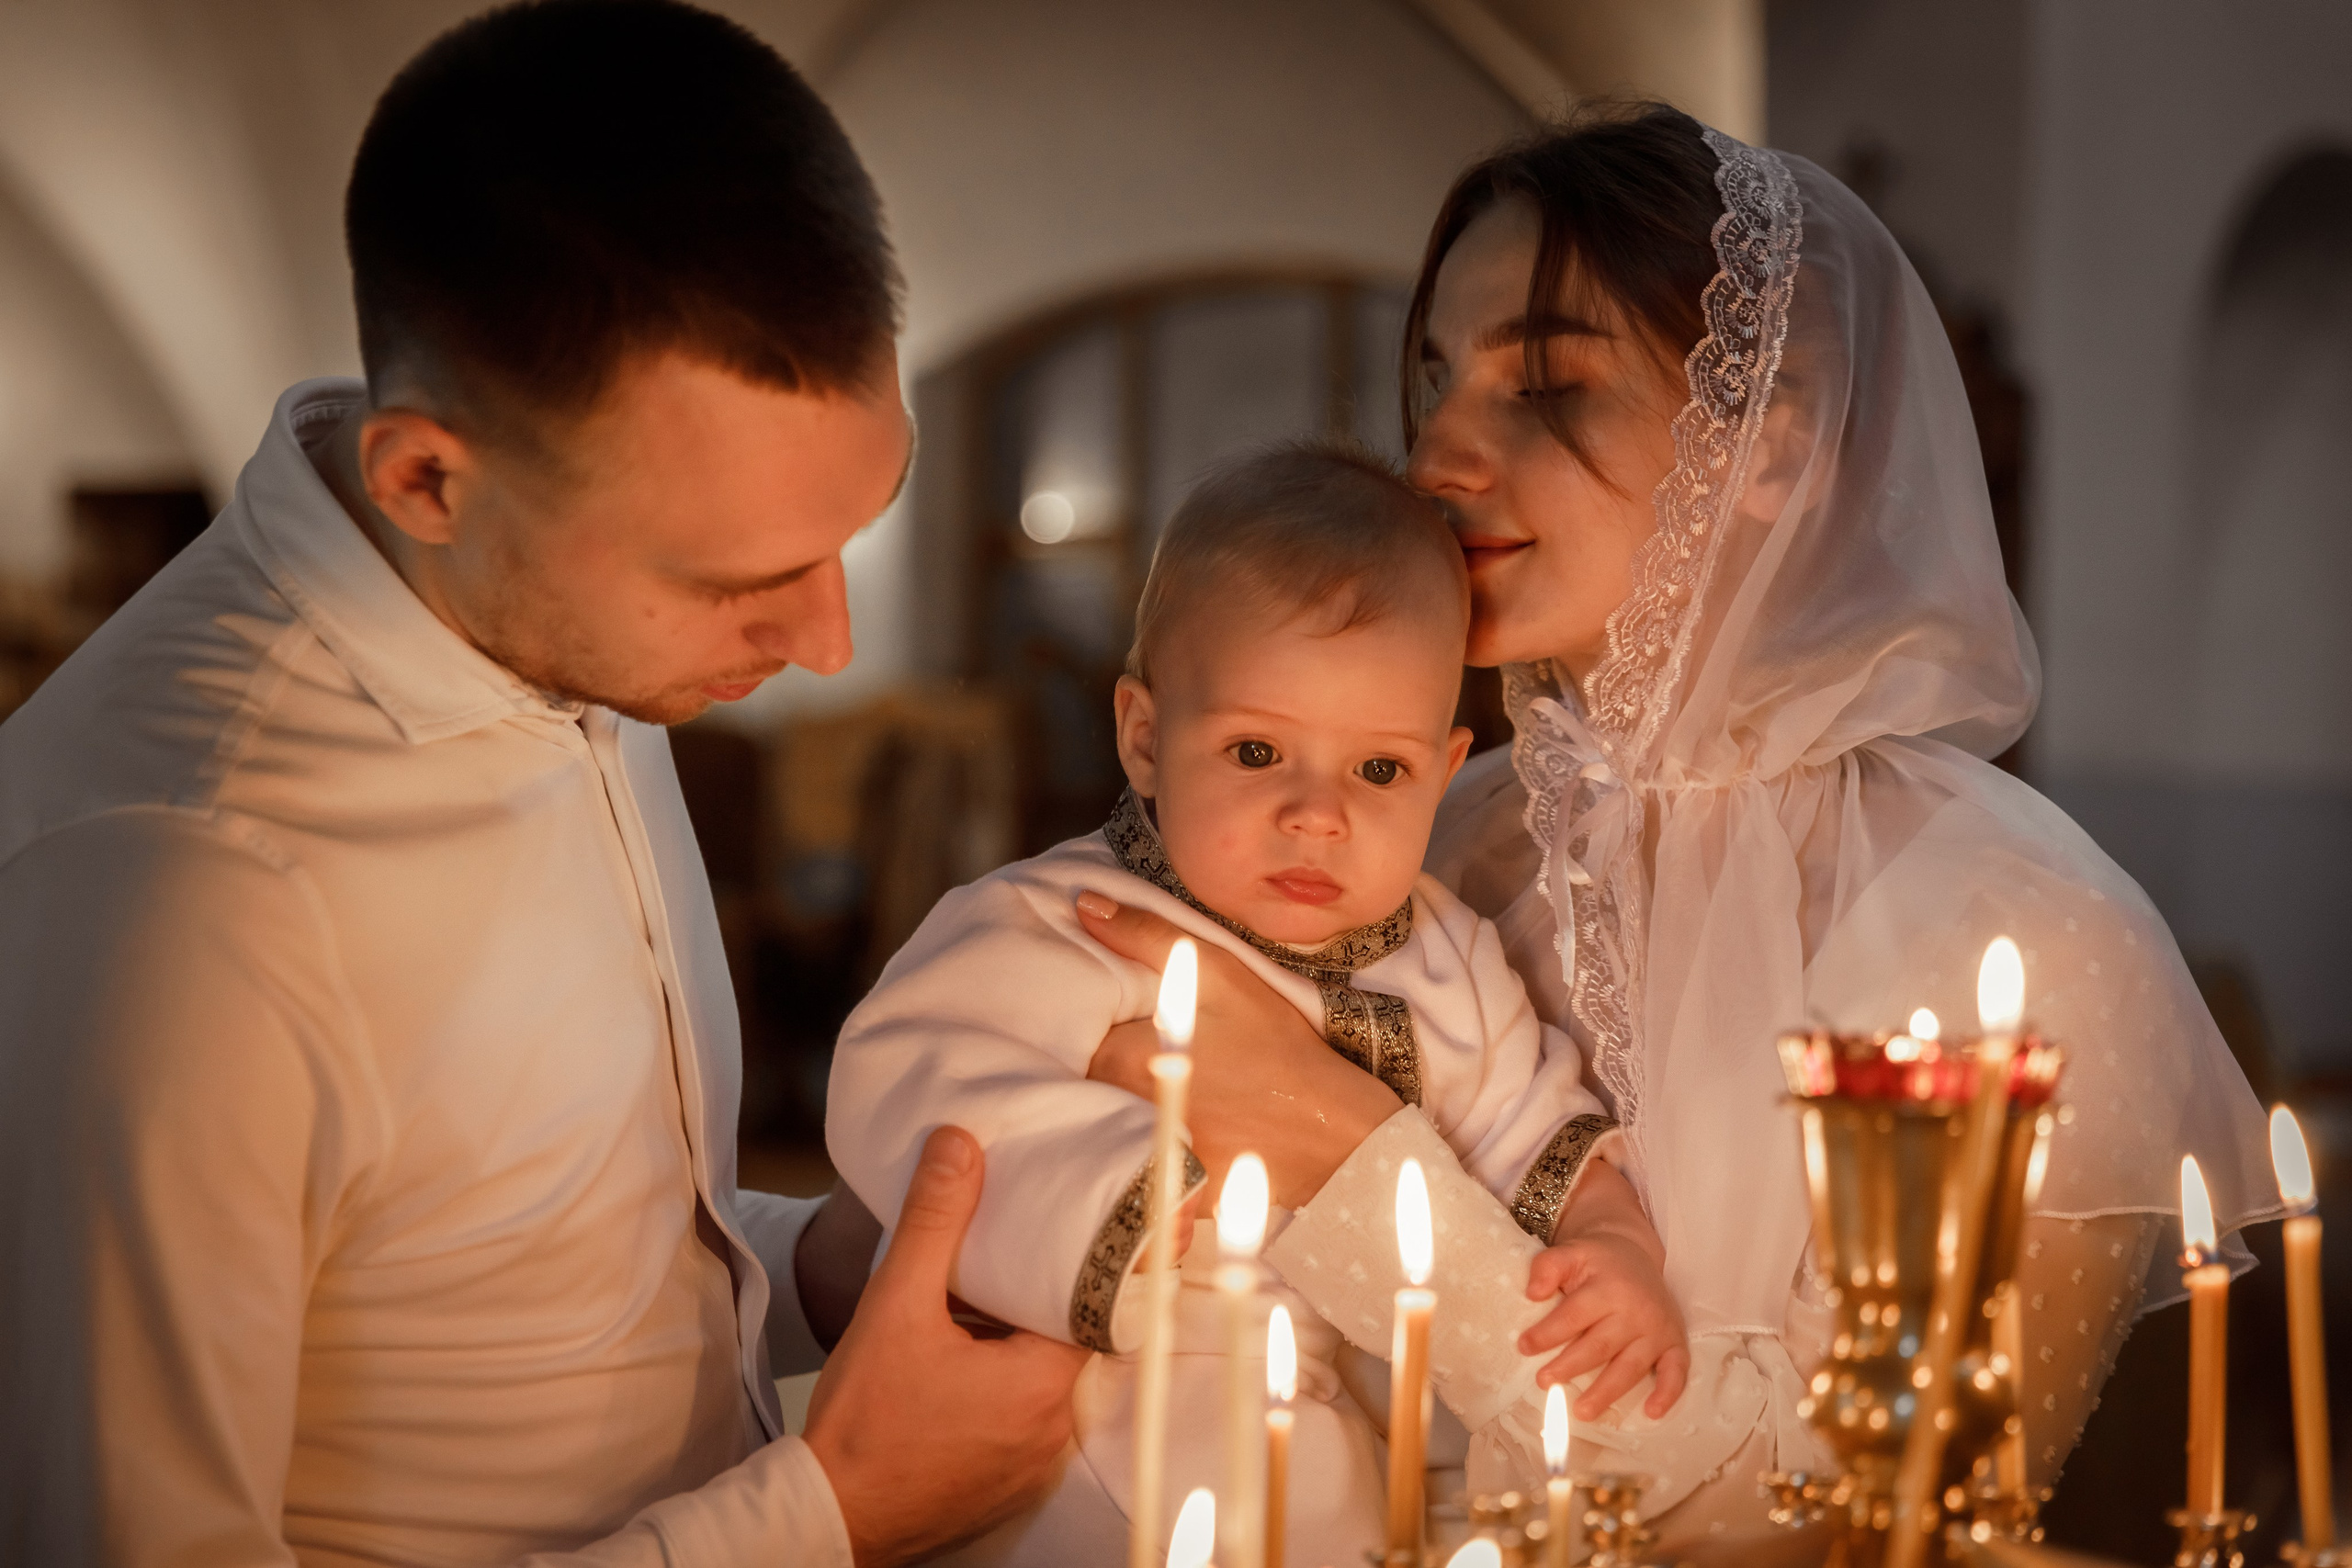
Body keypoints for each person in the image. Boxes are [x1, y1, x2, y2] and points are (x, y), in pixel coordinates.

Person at [1084, 106, 2279, 1558]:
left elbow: (1858, 1513)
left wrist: (1334, 1140)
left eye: (1543, 385)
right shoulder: (1426, 841)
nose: (1440, 453)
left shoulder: (2026, 928)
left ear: (1766, 442)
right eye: (1434, 376)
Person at [0, 3, 1085, 1563]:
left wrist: (840, 1261)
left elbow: (529, 1278)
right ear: (429, 479)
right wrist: (829, 1515)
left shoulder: (556, 627)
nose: (829, 641)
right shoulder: (180, 891)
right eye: (738, 577)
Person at [824, 443, 1688, 1566]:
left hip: (1333, 1426)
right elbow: (907, 1070)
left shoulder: (1452, 960)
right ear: (1143, 736)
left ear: (1445, 764)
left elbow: (1532, 1128)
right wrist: (1117, 1200)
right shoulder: (1061, 919)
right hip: (1088, 1409)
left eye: (1378, 771)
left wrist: (1610, 1242)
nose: (1315, 815)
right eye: (1255, 750)